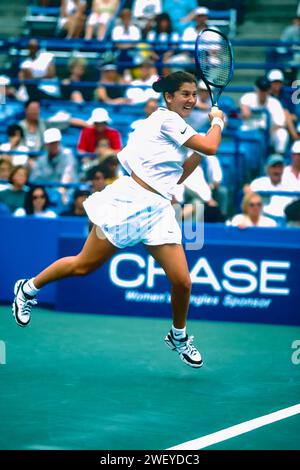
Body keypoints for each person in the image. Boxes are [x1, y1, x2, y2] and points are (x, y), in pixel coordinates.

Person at [11, 71, 225, 369]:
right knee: (83, 265)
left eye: (194, 94)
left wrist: (198, 153)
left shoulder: (179, 129)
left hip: (158, 209)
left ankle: (178, 335)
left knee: (183, 282)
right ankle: (28, 288)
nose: (191, 99)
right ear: (169, 97)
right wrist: (218, 121)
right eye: (185, 93)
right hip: (128, 203)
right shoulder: (167, 119)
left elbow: (177, 176)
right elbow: (212, 145)